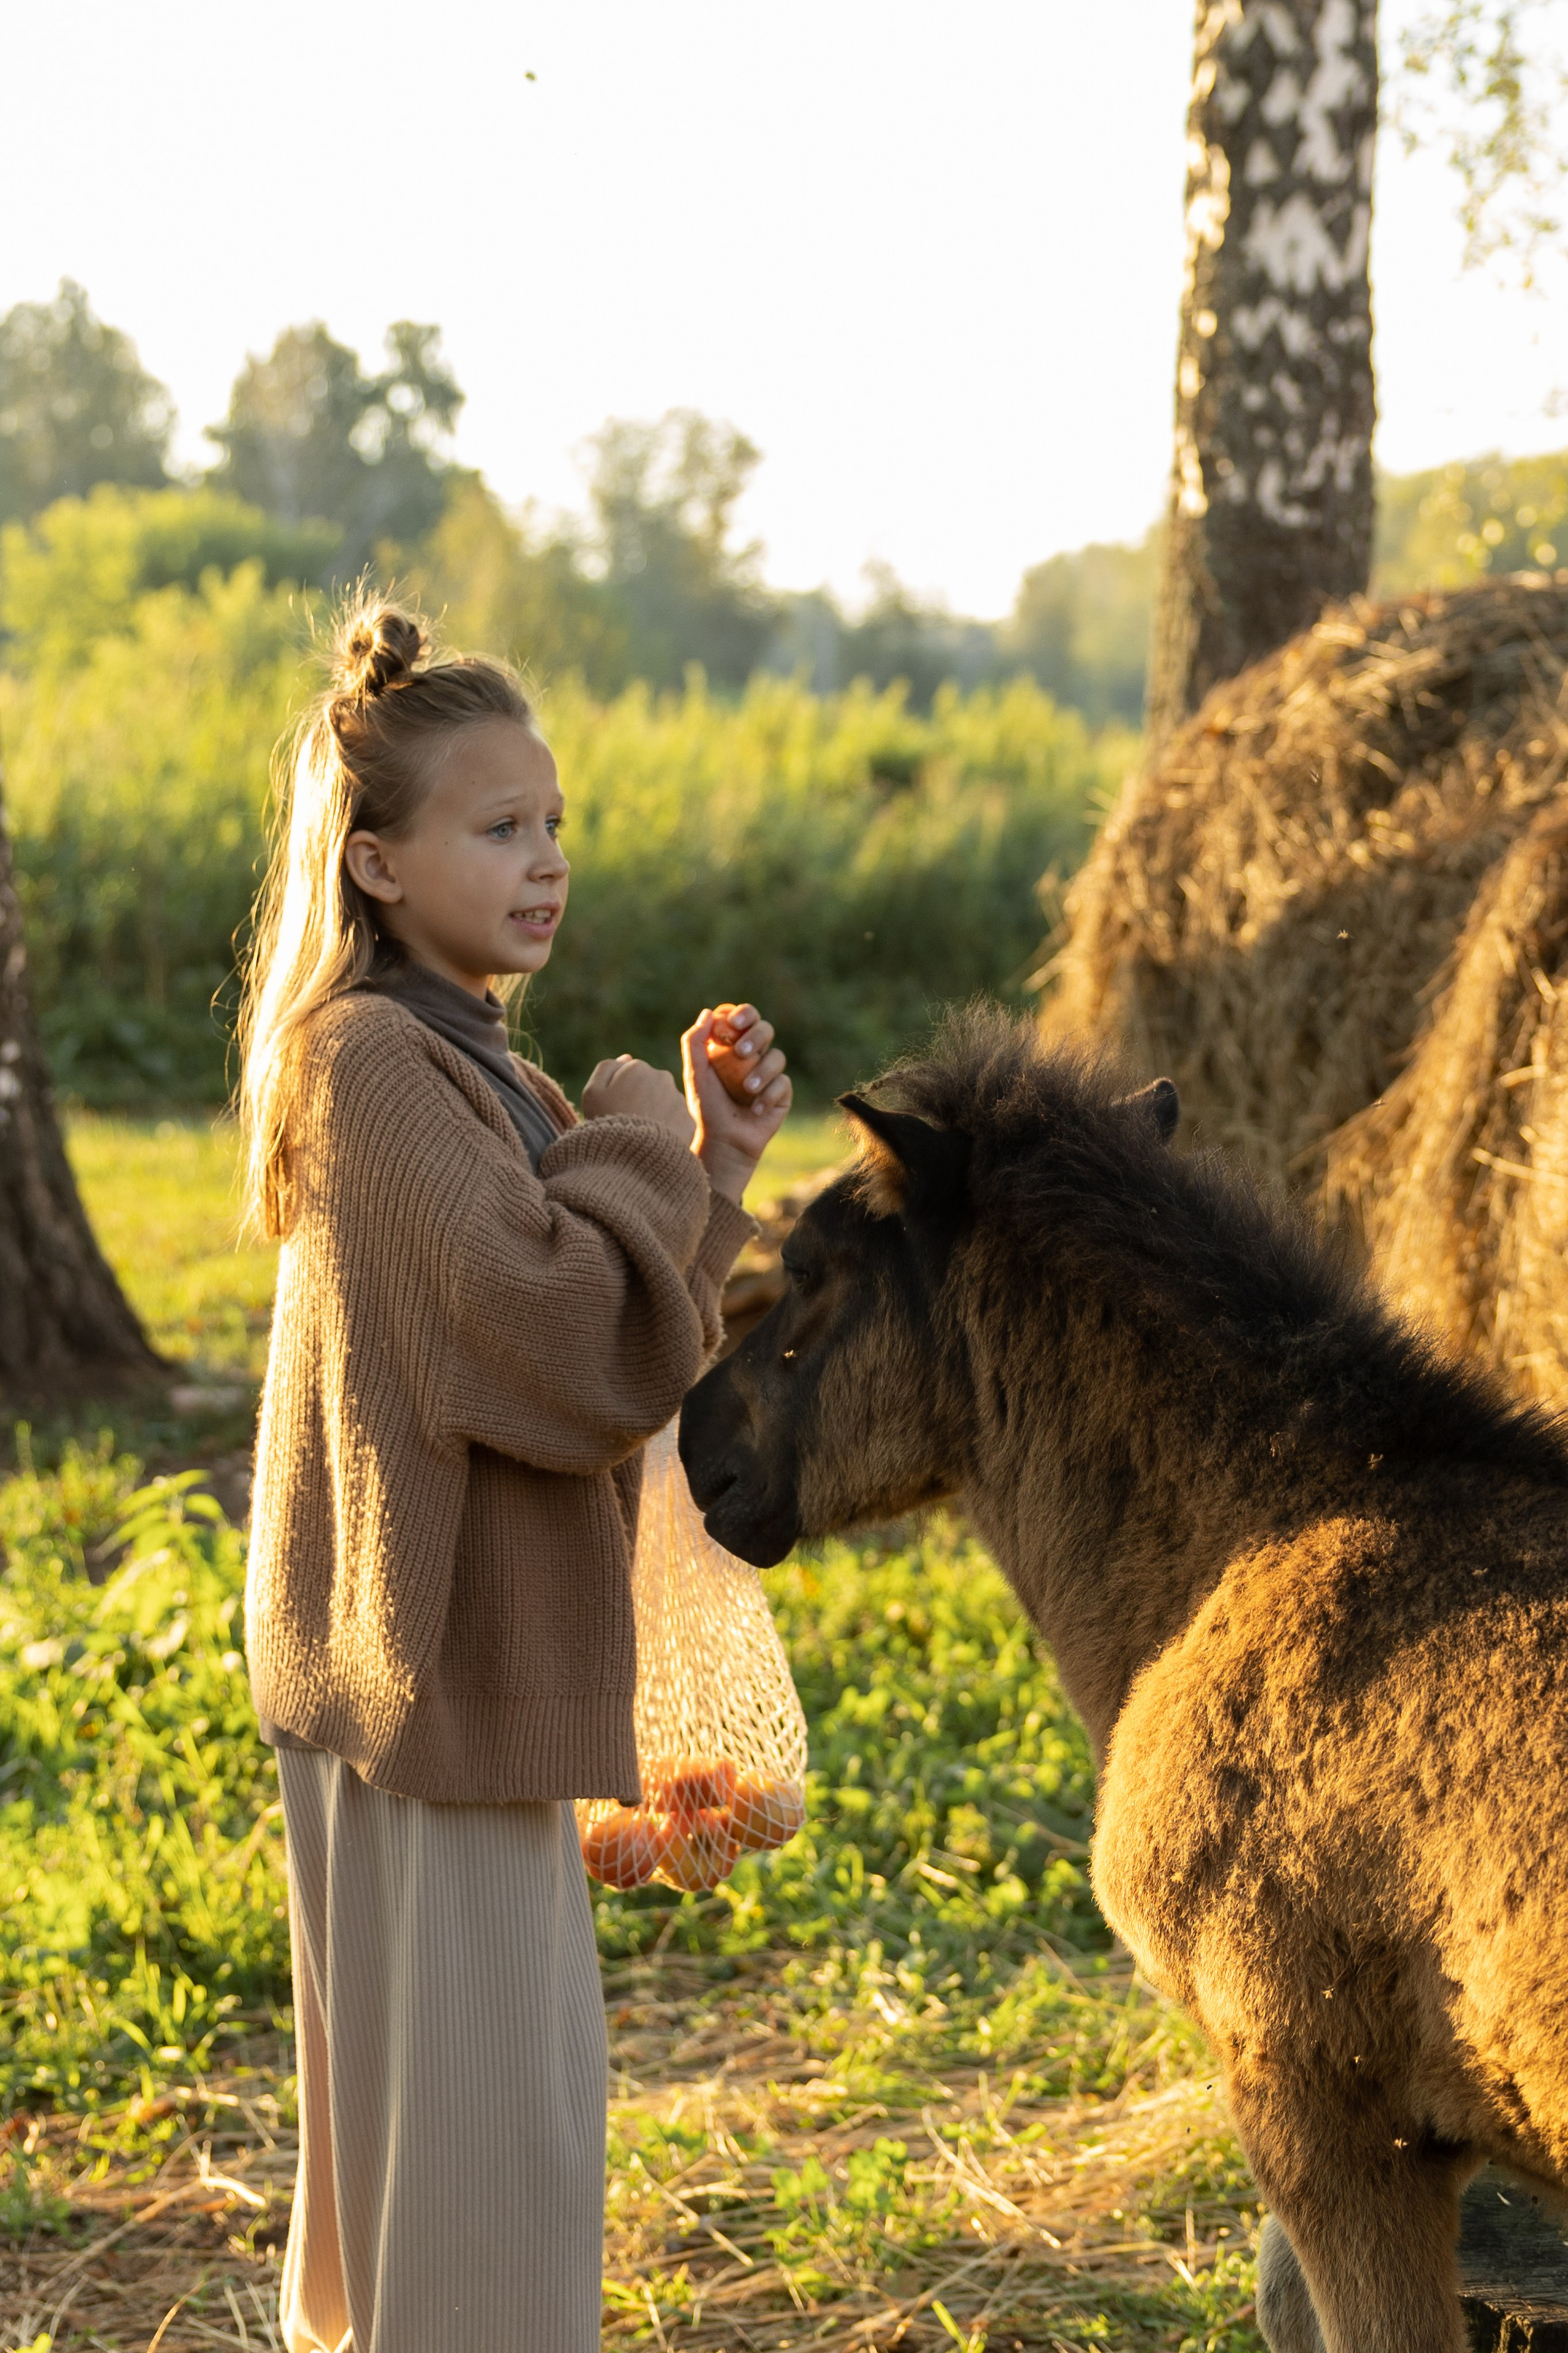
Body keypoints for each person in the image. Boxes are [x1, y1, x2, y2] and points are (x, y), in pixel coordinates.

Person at [238, 597, 791, 2352]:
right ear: (382, 865)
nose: (546, 862)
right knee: (485, 2181)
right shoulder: (382, 1066)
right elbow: (557, 1340)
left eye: (556, 824)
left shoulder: (468, 1058)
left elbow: (619, 1354)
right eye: (501, 828)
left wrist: (704, 1168)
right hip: (435, 1684)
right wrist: (642, 1128)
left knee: (448, 2153)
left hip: (440, 1671)